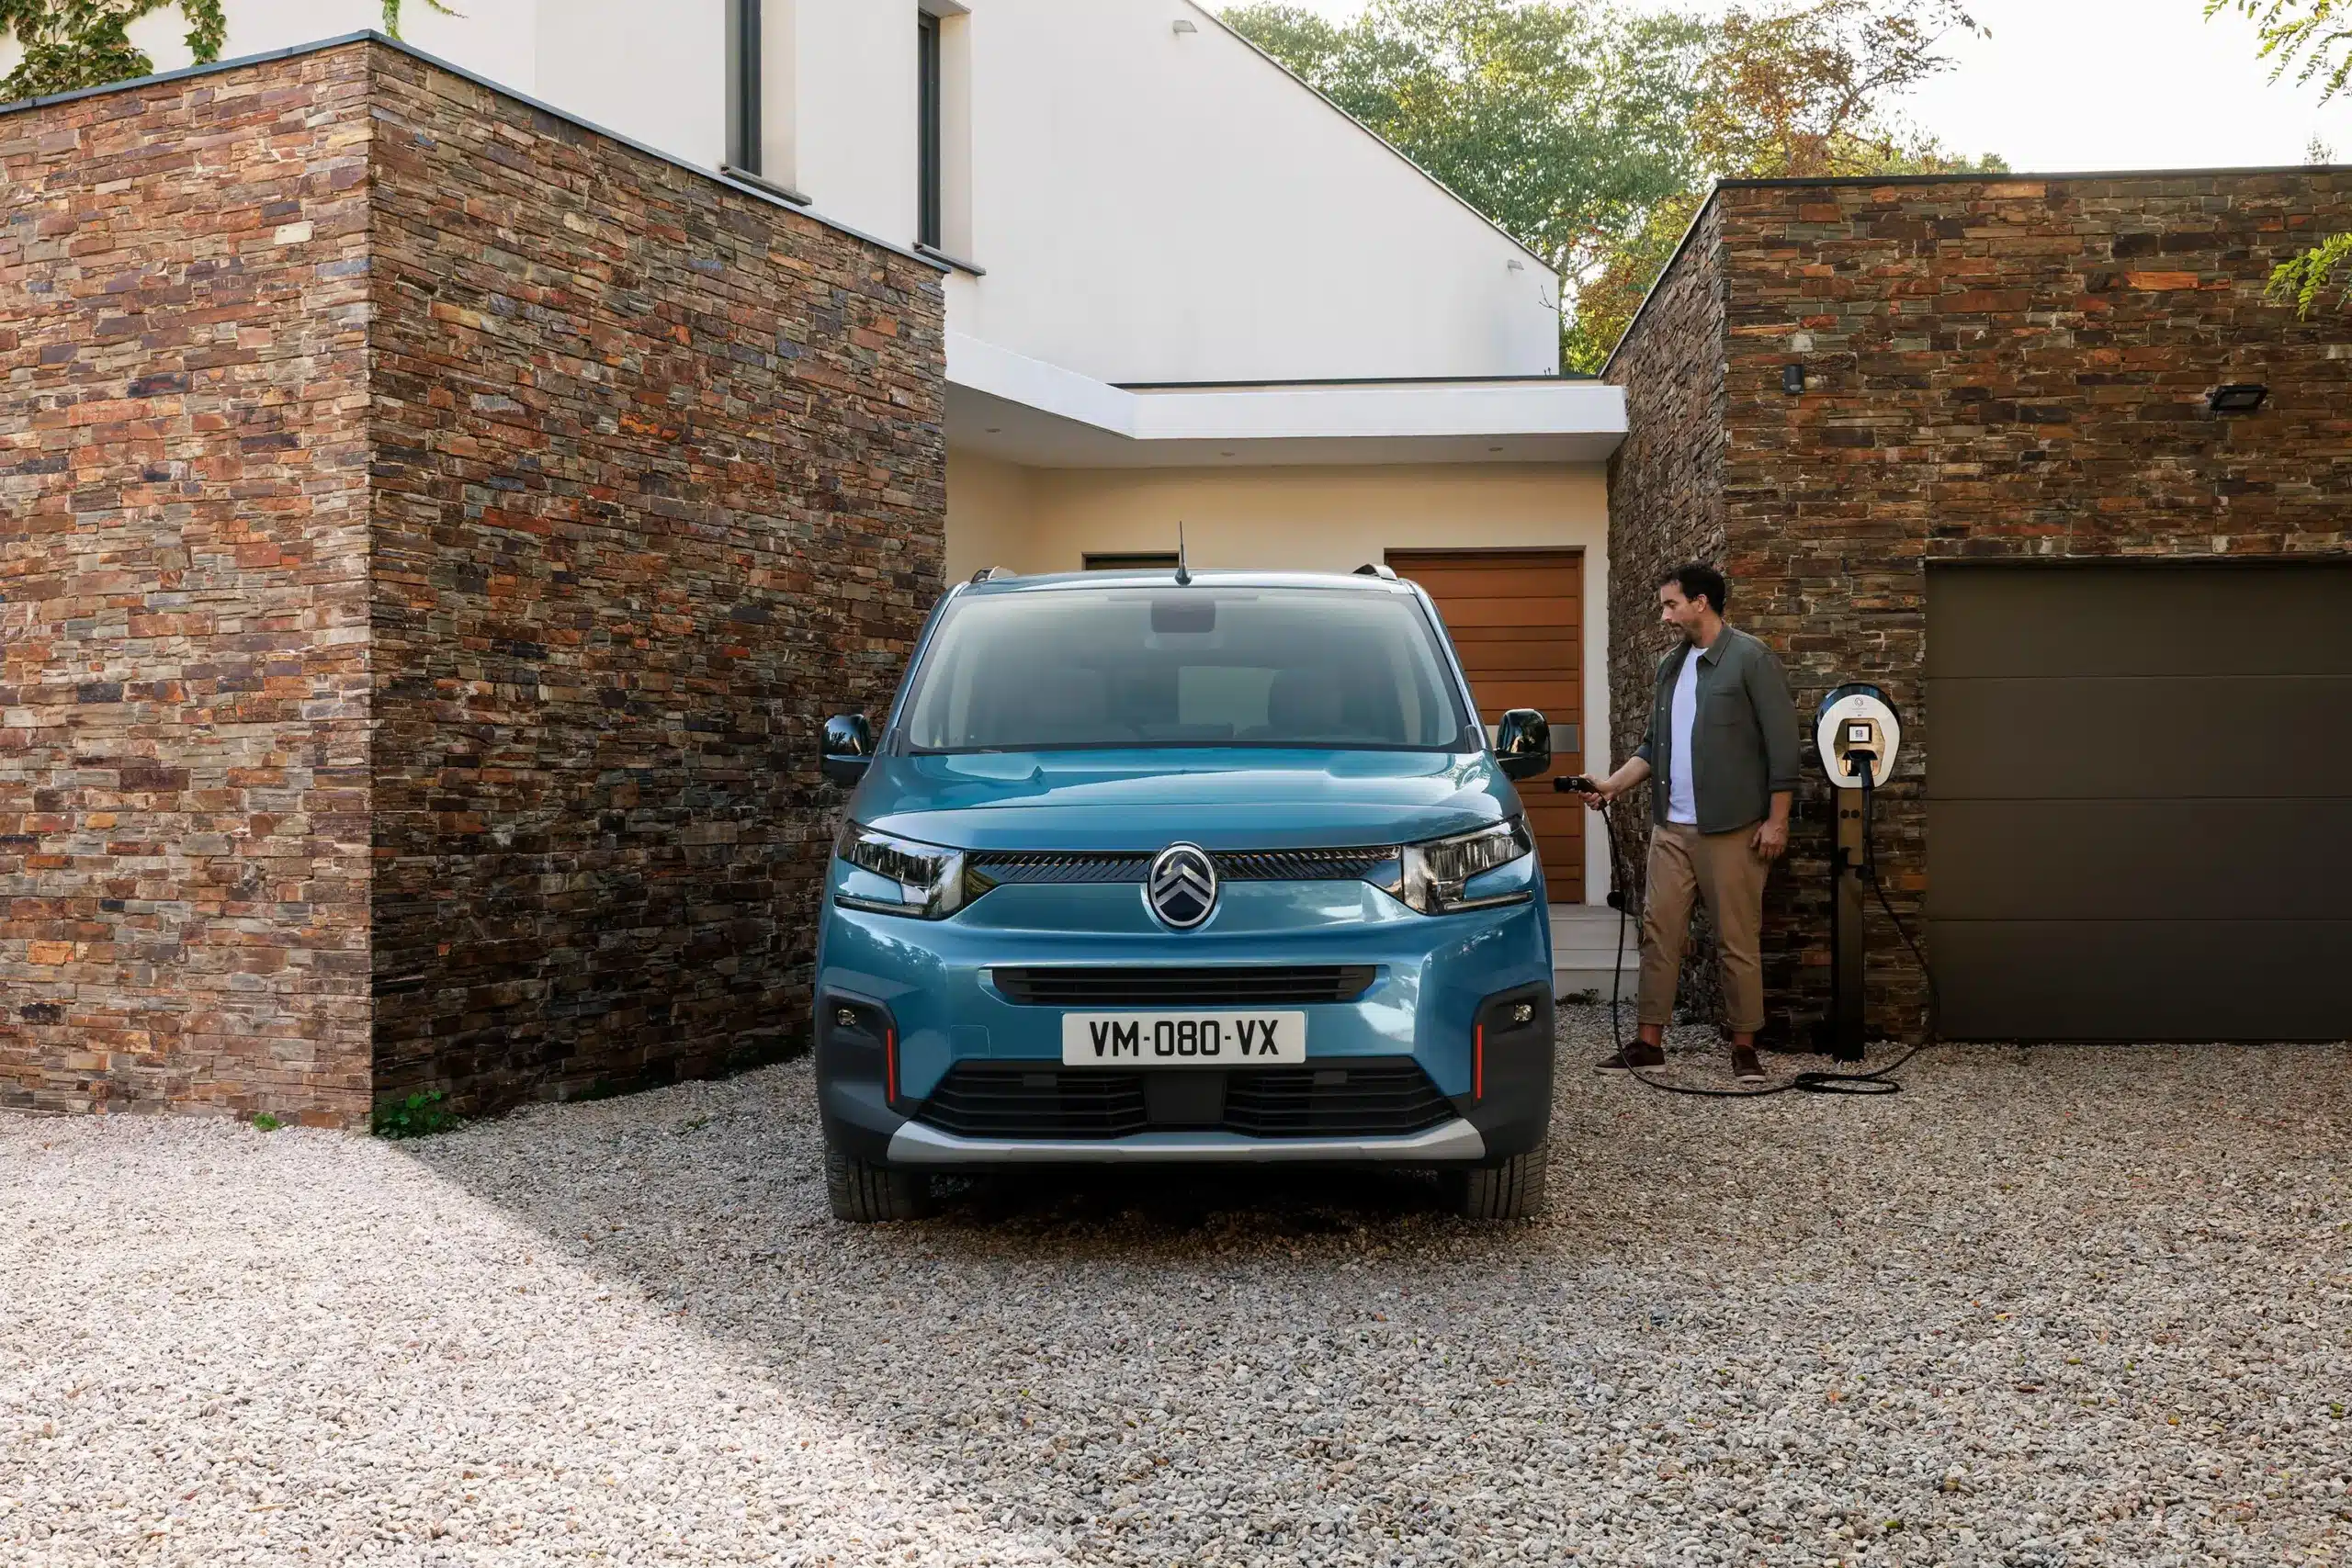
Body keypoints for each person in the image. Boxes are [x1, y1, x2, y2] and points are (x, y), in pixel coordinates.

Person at [1571, 563, 1800, 1081]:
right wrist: (1611, 786)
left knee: (1737, 940)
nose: (1665, 615)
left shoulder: (1751, 659)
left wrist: (1777, 821)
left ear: (1701, 603)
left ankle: (1745, 1048)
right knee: (1658, 936)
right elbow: (1654, 745)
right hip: (1670, 829)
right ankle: (1648, 1043)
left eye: (1671, 605)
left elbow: (1783, 748)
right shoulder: (1670, 667)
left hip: (1733, 829)